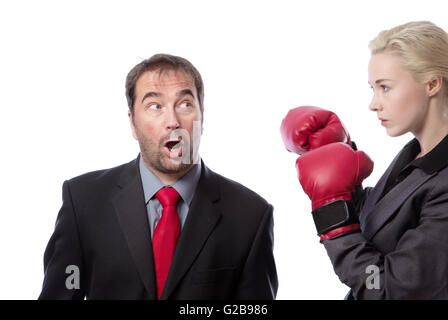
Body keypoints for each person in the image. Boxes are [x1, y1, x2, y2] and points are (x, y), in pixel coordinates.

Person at [39, 54, 278, 300]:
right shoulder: (84, 202)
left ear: (202, 117)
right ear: (132, 123)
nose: (172, 122)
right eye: (155, 106)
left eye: (185, 104)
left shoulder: (250, 216)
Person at [281, 21, 448, 299]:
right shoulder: (416, 156)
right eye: (372, 88)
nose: (374, 103)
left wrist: (333, 218)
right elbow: (381, 223)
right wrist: (336, 154)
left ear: (432, 84)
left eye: (385, 87)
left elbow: (384, 289)